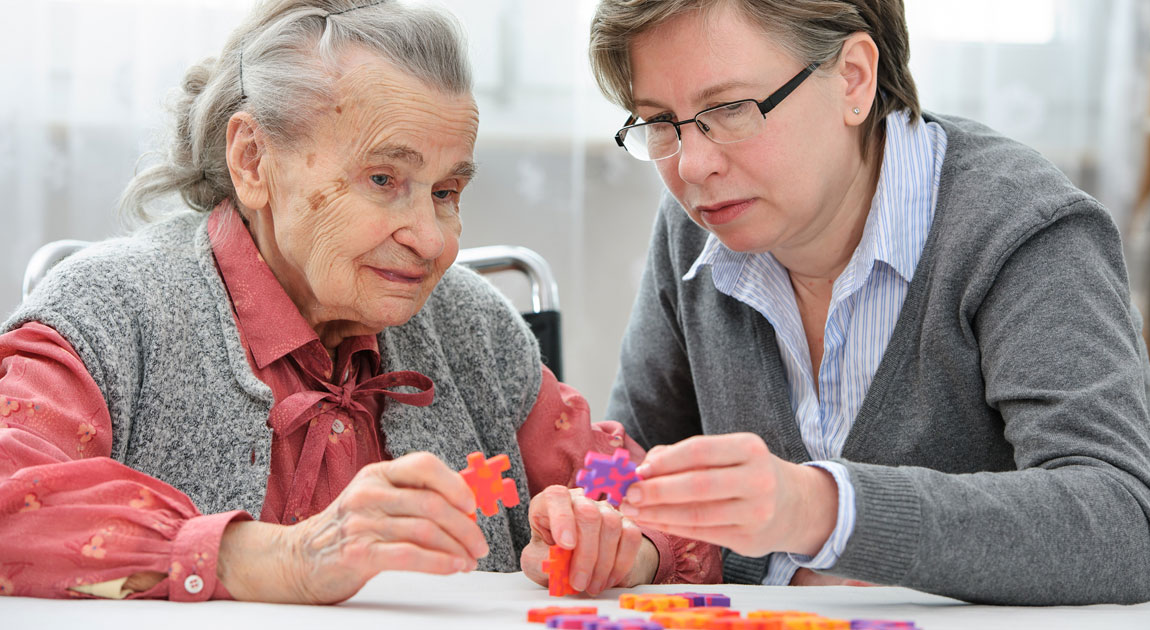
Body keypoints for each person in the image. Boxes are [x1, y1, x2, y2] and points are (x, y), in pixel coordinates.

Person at [0, 0, 717, 603]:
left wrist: (627, 544)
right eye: (382, 179)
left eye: (446, 192)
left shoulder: (473, 329)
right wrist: (278, 559)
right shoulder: (111, 313)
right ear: (253, 160)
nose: (431, 239)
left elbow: (632, 483)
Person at [575, 0, 1150, 605]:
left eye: (731, 109)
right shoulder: (697, 226)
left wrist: (820, 510)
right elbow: (633, 471)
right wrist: (600, 519)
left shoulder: (1020, 225)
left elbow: (1120, 524)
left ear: (854, 78)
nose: (693, 164)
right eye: (659, 122)